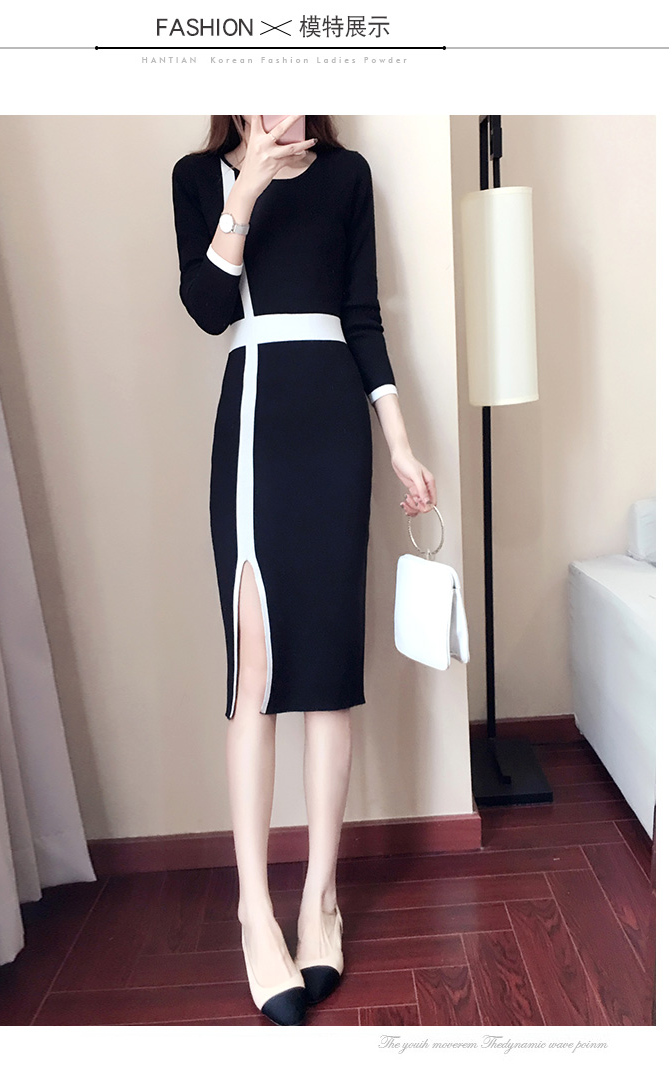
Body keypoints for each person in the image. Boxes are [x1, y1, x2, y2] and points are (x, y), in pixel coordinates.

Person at [171, 115, 436, 1026]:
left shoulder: (349, 175)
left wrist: (399, 444)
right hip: (253, 425)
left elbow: (362, 317)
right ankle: (256, 912)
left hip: (334, 428)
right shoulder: (197, 177)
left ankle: (320, 899)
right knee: (254, 674)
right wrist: (245, 187)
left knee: (326, 673)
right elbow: (208, 306)